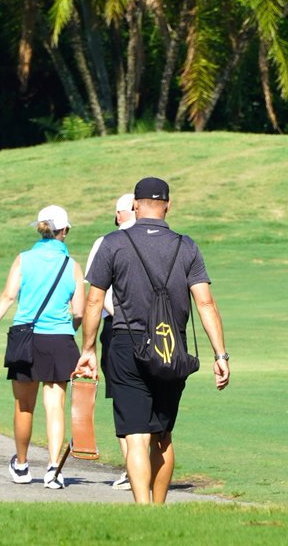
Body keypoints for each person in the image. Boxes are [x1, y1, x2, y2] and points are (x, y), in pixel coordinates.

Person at [75, 176, 230, 504]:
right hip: (171, 348)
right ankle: (158, 509)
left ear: (135, 205)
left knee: (136, 436)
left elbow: (93, 301)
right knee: (162, 436)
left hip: (125, 344)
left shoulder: (113, 244)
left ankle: (143, 511)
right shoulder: (186, 245)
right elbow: (205, 303)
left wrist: (88, 349)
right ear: (168, 205)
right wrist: (221, 355)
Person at [0, 205, 85, 490]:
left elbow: (8, 296)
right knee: (55, 406)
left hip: (26, 338)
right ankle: (52, 469)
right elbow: (79, 312)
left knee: (24, 406)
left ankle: (23, 465)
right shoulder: (72, 265)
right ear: (64, 231)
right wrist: (66, 332)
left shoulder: (23, 259)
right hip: (60, 340)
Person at [84, 192, 136, 490]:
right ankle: (145, 467)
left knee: (123, 397)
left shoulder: (106, 242)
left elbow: (97, 292)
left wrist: (121, 316)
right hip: (156, 328)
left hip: (117, 328)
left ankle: (132, 469)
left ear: (119, 214)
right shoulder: (158, 239)